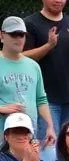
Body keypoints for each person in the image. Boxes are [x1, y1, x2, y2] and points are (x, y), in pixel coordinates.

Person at [23, 0, 69, 145]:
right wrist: (48, 45)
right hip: (45, 100)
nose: (58, 0)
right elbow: (22, 58)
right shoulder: (30, 24)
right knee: (49, 150)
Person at [0, 16, 53, 146]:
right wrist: (2, 108)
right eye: (14, 34)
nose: (18, 39)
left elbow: (41, 99)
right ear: (2, 36)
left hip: (29, 132)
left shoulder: (33, 66)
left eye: (22, 35)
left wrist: (50, 126)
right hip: (3, 134)